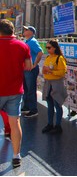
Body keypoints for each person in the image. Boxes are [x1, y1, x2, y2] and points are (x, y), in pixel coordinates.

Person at [0, 19, 32, 168]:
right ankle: (16, 155)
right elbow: (28, 66)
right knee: (15, 123)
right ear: (13, 31)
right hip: (15, 90)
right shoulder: (22, 46)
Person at [41, 40, 68, 134]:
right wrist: (45, 71)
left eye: (49, 47)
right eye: (46, 48)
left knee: (57, 104)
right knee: (50, 105)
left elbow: (62, 72)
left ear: (54, 48)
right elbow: (44, 69)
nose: (47, 49)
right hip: (48, 83)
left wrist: (51, 71)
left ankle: (58, 125)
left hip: (56, 83)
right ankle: (50, 124)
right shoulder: (48, 57)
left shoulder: (59, 58)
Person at [22, 25, 43, 118]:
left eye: (26, 30)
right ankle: (26, 107)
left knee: (30, 89)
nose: (24, 31)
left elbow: (40, 52)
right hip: (26, 69)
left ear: (31, 32)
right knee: (26, 89)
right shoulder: (27, 41)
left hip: (30, 69)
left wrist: (34, 64)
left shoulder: (33, 41)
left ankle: (33, 109)